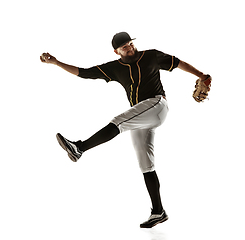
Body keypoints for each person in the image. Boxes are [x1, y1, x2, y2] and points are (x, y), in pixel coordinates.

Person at [40, 32, 210, 228]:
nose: (129, 48)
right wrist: (56, 63)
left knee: (118, 122)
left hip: (156, 105)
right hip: (140, 116)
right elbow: (84, 72)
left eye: (130, 44)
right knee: (146, 164)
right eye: (124, 47)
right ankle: (158, 211)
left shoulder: (151, 55)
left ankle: (80, 148)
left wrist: (201, 76)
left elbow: (178, 63)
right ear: (116, 51)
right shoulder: (114, 68)